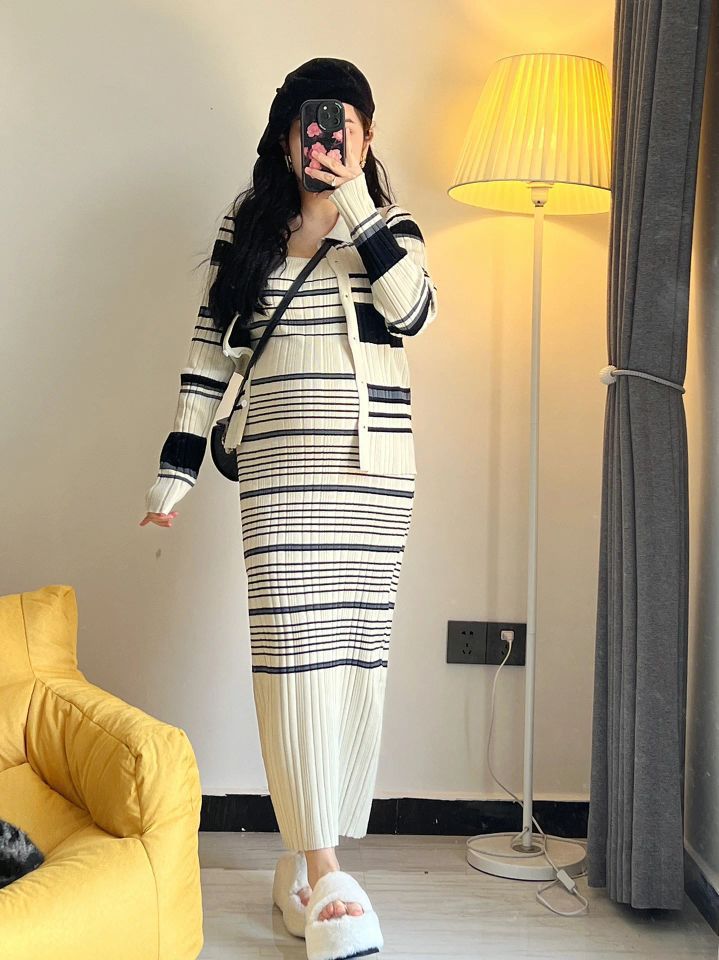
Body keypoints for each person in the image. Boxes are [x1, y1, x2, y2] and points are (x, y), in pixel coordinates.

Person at [140, 57, 438, 957]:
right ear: (283, 136)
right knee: (292, 661)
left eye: (343, 122)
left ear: (367, 135)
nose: (325, 136)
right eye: (311, 122)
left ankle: (309, 869)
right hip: (281, 473)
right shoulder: (249, 227)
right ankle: (325, 871)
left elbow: (414, 313)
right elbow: (209, 355)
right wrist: (177, 469)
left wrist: (355, 204)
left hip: (374, 476)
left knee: (354, 661)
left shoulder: (389, 228)